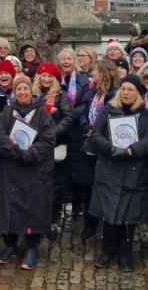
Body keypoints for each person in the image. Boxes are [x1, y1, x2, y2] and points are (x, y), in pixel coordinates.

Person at [89, 74, 148, 272]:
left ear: (138, 94)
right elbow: (96, 134)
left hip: (133, 170)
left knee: (128, 217)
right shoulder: (108, 110)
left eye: (131, 90)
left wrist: (131, 150)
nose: (126, 93)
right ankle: (107, 251)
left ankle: (126, 254)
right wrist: (111, 148)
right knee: (108, 215)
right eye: (124, 89)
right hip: (109, 167)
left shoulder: (145, 115)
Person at [0, 74, 55, 270]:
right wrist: (13, 149)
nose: (22, 92)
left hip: (33, 170)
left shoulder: (42, 113)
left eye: (25, 88)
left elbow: (48, 140)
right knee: (7, 208)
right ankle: (10, 245)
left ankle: (31, 248)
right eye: (18, 89)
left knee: (33, 208)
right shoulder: (7, 112)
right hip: (9, 169)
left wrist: (28, 154)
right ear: (14, 92)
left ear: (31, 90)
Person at [74, 60, 119, 241]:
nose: (92, 76)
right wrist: (87, 127)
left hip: (102, 147)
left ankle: (101, 223)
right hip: (89, 143)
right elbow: (85, 112)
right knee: (87, 186)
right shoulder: (93, 93)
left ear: (104, 74)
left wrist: (97, 131)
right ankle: (89, 222)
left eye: (95, 73)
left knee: (100, 187)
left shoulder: (114, 95)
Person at [33, 62, 74, 239]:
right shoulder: (33, 94)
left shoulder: (61, 95)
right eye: (43, 76)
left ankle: (52, 219)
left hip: (54, 144)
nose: (46, 79)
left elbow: (69, 117)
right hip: (35, 144)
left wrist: (53, 133)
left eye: (50, 76)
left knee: (54, 184)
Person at [58, 48, 91, 217]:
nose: (66, 62)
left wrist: (70, 116)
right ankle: (64, 201)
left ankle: (79, 203)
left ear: (74, 61)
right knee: (62, 166)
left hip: (77, 127)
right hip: (61, 129)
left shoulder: (83, 79)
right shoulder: (57, 79)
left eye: (69, 59)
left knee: (78, 166)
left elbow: (85, 103)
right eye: (63, 59)